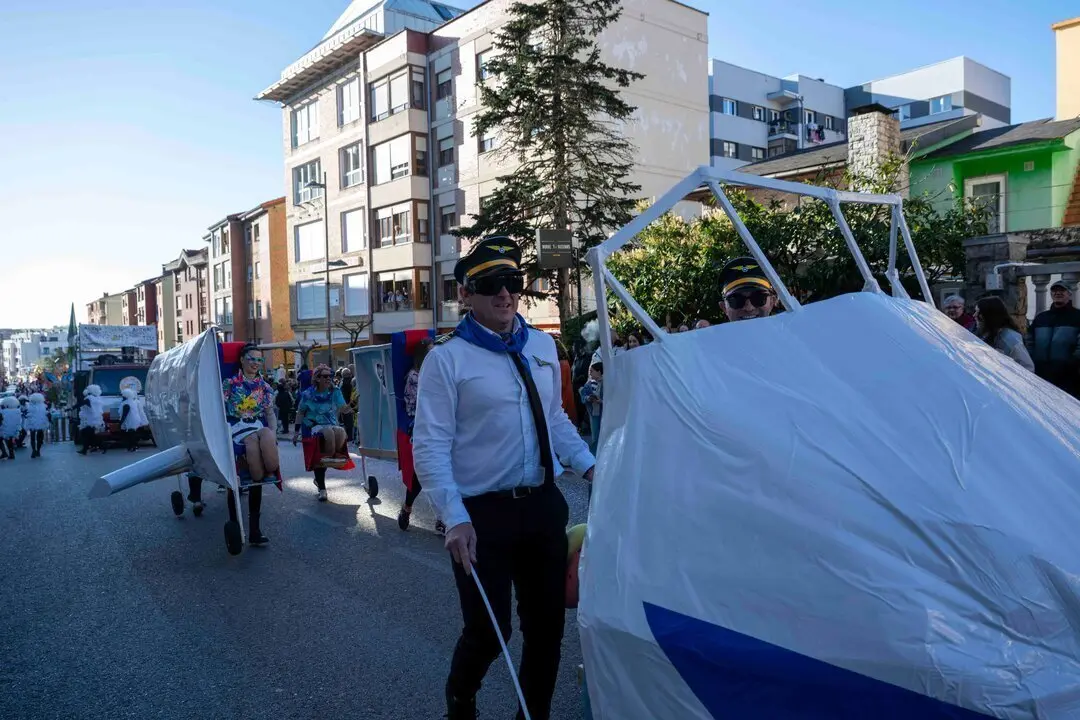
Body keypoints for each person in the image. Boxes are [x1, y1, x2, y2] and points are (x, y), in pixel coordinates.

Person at [413, 236, 596, 720]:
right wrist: (453, 517)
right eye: (490, 284)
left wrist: (592, 465)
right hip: (480, 514)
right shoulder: (446, 360)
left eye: (512, 282)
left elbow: (555, 418)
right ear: (466, 295)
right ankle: (461, 693)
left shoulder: (540, 344)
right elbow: (429, 445)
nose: (504, 293)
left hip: (541, 504)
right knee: (489, 631)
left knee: (547, 632)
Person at [222, 344, 279, 547]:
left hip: (257, 426)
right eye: (251, 358)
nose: (255, 363)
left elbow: (269, 414)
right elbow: (219, 411)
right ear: (242, 360)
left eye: (259, 360)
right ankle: (236, 525)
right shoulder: (229, 384)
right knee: (239, 477)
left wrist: (273, 435)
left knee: (261, 475)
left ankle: (254, 529)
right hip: (236, 429)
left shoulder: (265, 387)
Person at [399, 338, 445, 533]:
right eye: (431, 352)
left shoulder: (437, 374)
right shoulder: (415, 376)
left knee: (446, 472)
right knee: (422, 474)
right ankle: (407, 507)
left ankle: (443, 518)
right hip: (419, 425)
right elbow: (427, 403)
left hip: (441, 425)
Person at [293, 364, 352, 502]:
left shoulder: (335, 391)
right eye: (325, 376)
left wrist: (352, 405)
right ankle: (322, 488)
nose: (329, 378)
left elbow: (343, 408)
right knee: (327, 437)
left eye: (330, 376)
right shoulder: (308, 394)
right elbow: (300, 412)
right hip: (313, 426)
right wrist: (296, 431)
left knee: (340, 433)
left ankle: (326, 465)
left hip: (331, 424)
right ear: (317, 378)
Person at [1026, 280, 1080, 397]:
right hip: (1041, 374)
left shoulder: (1077, 317)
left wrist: (1072, 363)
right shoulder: (1041, 318)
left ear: (1070, 294)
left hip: (1069, 376)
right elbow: (1029, 341)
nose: (1058, 293)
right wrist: (1031, 360)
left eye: (1062, 290)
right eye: (1054, 290)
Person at [975, 296, 1034, 372]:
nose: (974, 315)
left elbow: (1028, 368)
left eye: (978, 312)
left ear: (989, 315)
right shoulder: (987, 334)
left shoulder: (1010, 339)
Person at [719, 256, 779, 322]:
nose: (749, 308)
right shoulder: (710, 331)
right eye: (737, 300)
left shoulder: (788, 331)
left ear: (771, 302)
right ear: (724, 307)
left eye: (759, 298)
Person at [579, 362, 603, 455]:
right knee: (595, 436)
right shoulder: (589, 384)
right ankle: (594, 456)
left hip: (605, 413)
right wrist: (588, 398)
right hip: (594, 413)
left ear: (599, 371)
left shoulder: (606, 383)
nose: (590, 373)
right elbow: (583, 396)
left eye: (592, 371)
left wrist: (601, 401)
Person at [77, 385, 106, 455]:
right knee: (91, 435)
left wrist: (71, 408)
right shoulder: (98, 399)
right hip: (96, 419)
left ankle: (100, 447)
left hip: (89, 420)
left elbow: (80, 404)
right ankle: (96, 447)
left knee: (86, 434)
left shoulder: (88, 398)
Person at [119, 387, 148, 452]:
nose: (122, 397)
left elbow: (124, 415)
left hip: (130, 421)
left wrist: (121, 423)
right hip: (134, 420)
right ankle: (133, 446)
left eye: (123, 396)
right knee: (132, 434)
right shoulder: (132, 402)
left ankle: (132, 446)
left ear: (125, 396)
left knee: (130, 435)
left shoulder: (126, 404)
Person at [23, 393, 49, 459]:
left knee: (33, 437)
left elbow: (27, 414)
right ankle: (38, 451)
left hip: (32, 423)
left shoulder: (30, 406)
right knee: (40, 437)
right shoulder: (43, 406)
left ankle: (34, 450)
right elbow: (46, 414)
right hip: (41, 423)